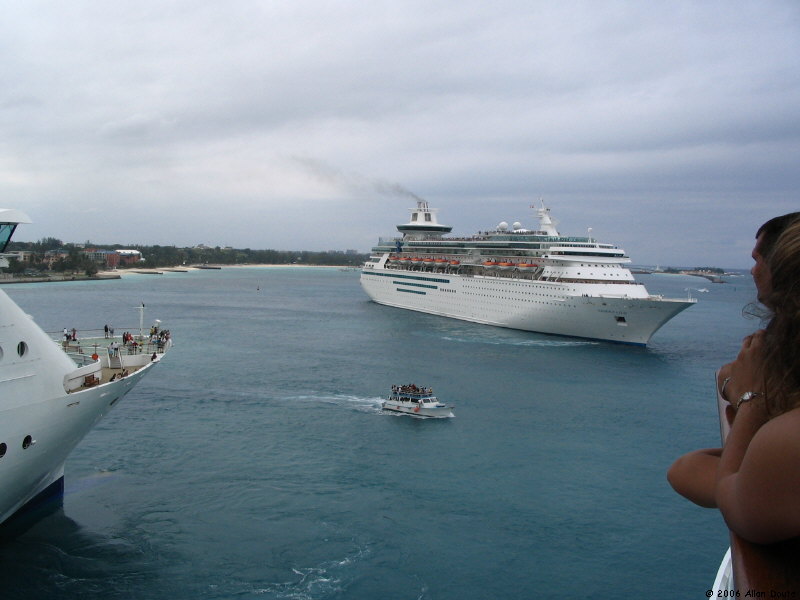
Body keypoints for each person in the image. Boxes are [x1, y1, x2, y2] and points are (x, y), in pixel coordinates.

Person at [667, 212, 800, 544]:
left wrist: (751, 399)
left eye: (757, 260)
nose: (752, 271)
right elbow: (686, 472)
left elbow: (736, 506)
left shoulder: (786, 438)